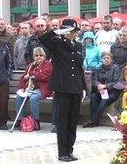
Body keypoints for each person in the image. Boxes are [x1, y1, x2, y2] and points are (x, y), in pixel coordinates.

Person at [39, 18, 86, 162]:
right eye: (70, 31)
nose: (73, 34)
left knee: (72, 121)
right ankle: (62, 152)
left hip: (76, 87)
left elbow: (79, 68)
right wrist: (58, 32)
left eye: (74, 31)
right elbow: (42, 38)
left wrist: (83, 87)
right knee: (63, 121)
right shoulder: (57, 43)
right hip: (63, 87)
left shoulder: (78, 45)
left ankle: (70, 150)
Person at [14, 47, 52, 130]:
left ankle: (35, 120)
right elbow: (23, 78)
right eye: (36, 55)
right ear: (33, 57)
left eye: (41, 55)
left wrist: (33, 75)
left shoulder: (48, 64)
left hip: (42, 88)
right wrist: (22, 88)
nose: (39, 57)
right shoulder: (30, 66)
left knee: (33, 98)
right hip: (30, 88)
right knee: (19, 98)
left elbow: (45, 76)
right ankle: (19, 120)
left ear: (44, 56)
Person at [82, 51, 121, 128]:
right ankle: (94, 121)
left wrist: (105, 86)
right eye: (104, 58)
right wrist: (98, 85)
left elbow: (116, 82)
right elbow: (94, 80)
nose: (106, 60)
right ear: (101, 60)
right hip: (100, 91)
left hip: (112, 91)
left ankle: (93, 120)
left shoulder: (116, 68)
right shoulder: (98, 68)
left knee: (104, 99)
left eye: (108, 58)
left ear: (111, 59)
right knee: (93, 97)